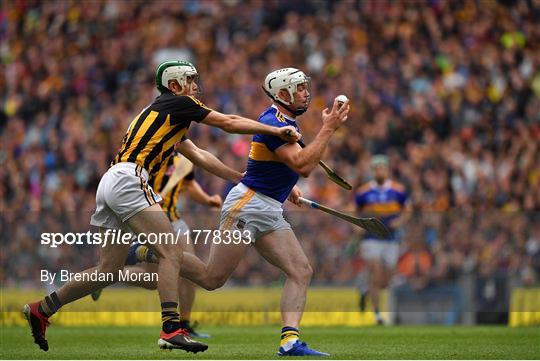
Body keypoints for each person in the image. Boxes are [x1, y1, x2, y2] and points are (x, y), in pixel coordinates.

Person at [23, 60, 300, 353]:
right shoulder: (178, 103)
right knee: (171, 252)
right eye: (190, 80)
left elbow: (197, 154)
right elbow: (228, 122)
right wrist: (273, 131)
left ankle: (43, 308)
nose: (196, 86)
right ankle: (171, 328)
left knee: (108, 270)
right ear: (175, 85)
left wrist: (236, 176)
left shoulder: (166, 115)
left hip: (111, 181)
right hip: (131, 178)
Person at [131, 67, 350, 356]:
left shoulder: (285, 122)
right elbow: (304, 166)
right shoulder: (272, 121)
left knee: (301, 270)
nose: (306, 92)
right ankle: (150, 251)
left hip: (269, 207)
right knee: (211, 278)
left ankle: (290, 341)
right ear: (282, 94)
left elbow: (281, 164)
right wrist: (328, 128)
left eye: (304, 86)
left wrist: (286, 188)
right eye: (299, 88)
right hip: (248, 206)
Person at [92, 153, 220, 338]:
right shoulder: (151, 155)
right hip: (151, 220)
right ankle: (110, 273)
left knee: (192, 273)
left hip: (175, 220)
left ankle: (185, 323)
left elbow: (189, 184)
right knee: (153, 280)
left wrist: (207, 199)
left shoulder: (183, 160)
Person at [354, 155, 411, 324]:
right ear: (373, 171)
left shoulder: (398, 190)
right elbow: (353, 211)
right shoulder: (363, 192)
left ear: (387, 170)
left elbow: (408, 210)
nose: (380, 171)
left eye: (383, 168)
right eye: (376, 168)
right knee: (376, 274)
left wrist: (399, 222)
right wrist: (356, 226)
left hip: (390, 239)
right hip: (371, 238)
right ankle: (378, 315)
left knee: (385, 281)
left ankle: (365, 289)